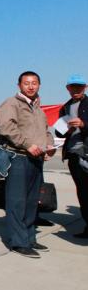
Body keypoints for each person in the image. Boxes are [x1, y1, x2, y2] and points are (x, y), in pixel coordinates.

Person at [0, 71, 55, 258]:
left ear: (39, 85)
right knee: (17, 202)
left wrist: (49, 146)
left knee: (31, 202)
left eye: (34, 83)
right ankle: (18, 242)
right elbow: (7, 128)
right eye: (27, 83)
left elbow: (45, 131)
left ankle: (29, 238)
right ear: (19, 85)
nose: (31, 86)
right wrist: (28, 145)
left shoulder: (38, 108)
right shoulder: (11, 104)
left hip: (36, 160)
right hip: (19, 158)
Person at [55, 73, 88, 239]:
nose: (76, 90)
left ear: (85, 87)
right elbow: (57, 131)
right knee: (82, 191)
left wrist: (83, 124)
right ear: (68, 88)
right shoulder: (65, 107)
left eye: (79, 87)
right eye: (73, 87)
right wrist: (65, 130)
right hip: (74, 155)